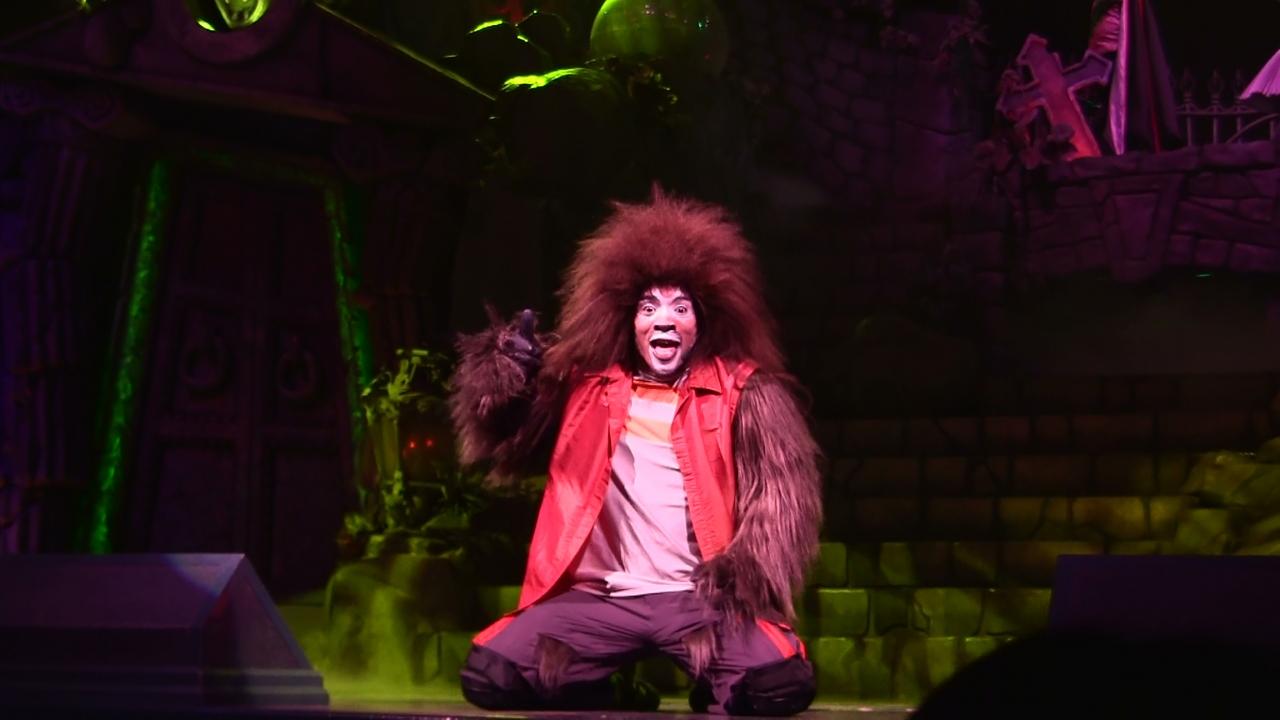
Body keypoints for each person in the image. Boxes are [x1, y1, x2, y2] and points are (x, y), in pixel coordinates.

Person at [448, 188, 823, 715]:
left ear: (705, 320)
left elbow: (780, 504)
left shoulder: (745, 393)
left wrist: (742, 571)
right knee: (491, 676)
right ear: (627, 319)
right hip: (599, 599)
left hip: (698, 599)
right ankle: (597, 688)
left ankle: (717, 683)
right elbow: (506, 443)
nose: (663, 320)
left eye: (680, 307)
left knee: (777, 684)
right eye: (649, 307)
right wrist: (511, 374)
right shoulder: (585, 388)